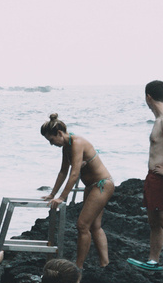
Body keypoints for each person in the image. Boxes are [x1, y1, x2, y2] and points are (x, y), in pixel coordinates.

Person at [41, 113, 114, 269]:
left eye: (51, 140)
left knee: (82, 225)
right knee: (94, 226)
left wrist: (62, 197)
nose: (51, 144)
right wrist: (52, 194)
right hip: (91, 187)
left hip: (102, 185)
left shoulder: (77, 143)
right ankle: (105, 264)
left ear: (59, 133)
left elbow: (74, 174)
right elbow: (63, 172)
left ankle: (78, 267)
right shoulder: (67, 147)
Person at [128, 80, 163, 272]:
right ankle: (153, 259)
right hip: (153, 177)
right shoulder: (160, 120)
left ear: (148, 97)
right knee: (153, 221)